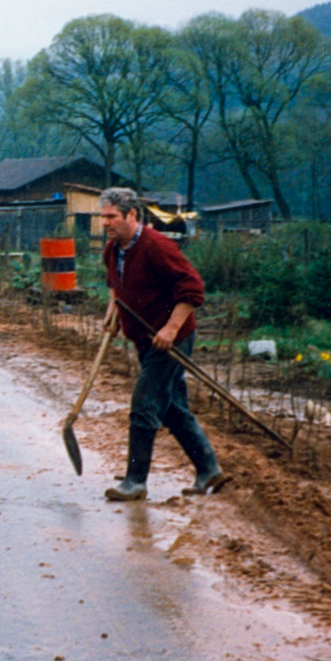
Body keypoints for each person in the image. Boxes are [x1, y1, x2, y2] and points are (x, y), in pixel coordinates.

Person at [99, 186, 223, 501]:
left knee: (145, 403)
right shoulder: (113, 250)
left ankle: (135, 481)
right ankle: (208, 469)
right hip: (144, 337)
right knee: (170, 408)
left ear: (131, 215)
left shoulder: (156, 246)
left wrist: (170, 327)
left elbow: (192, 288)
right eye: (103, 217)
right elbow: (115, 283)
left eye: (111, 216)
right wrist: (114, 308)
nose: (105, 223)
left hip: (172, 339)